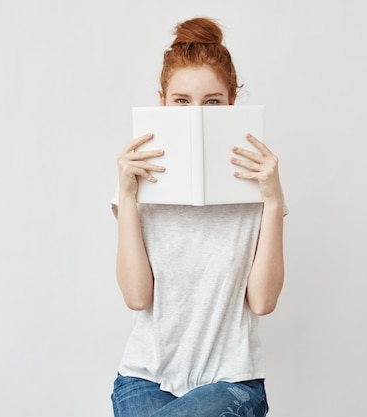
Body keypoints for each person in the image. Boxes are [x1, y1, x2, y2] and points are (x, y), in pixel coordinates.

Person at [111, 17, 287, 417]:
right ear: (162, 102)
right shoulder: (139, 183)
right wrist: (126, 195)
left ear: (231, 105)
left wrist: (274, 202)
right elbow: (137, 296)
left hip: (232, 380)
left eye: (211, 102)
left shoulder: (257, 187)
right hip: (144, 377)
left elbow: (262, 301)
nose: (197, 114)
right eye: (182, 101)